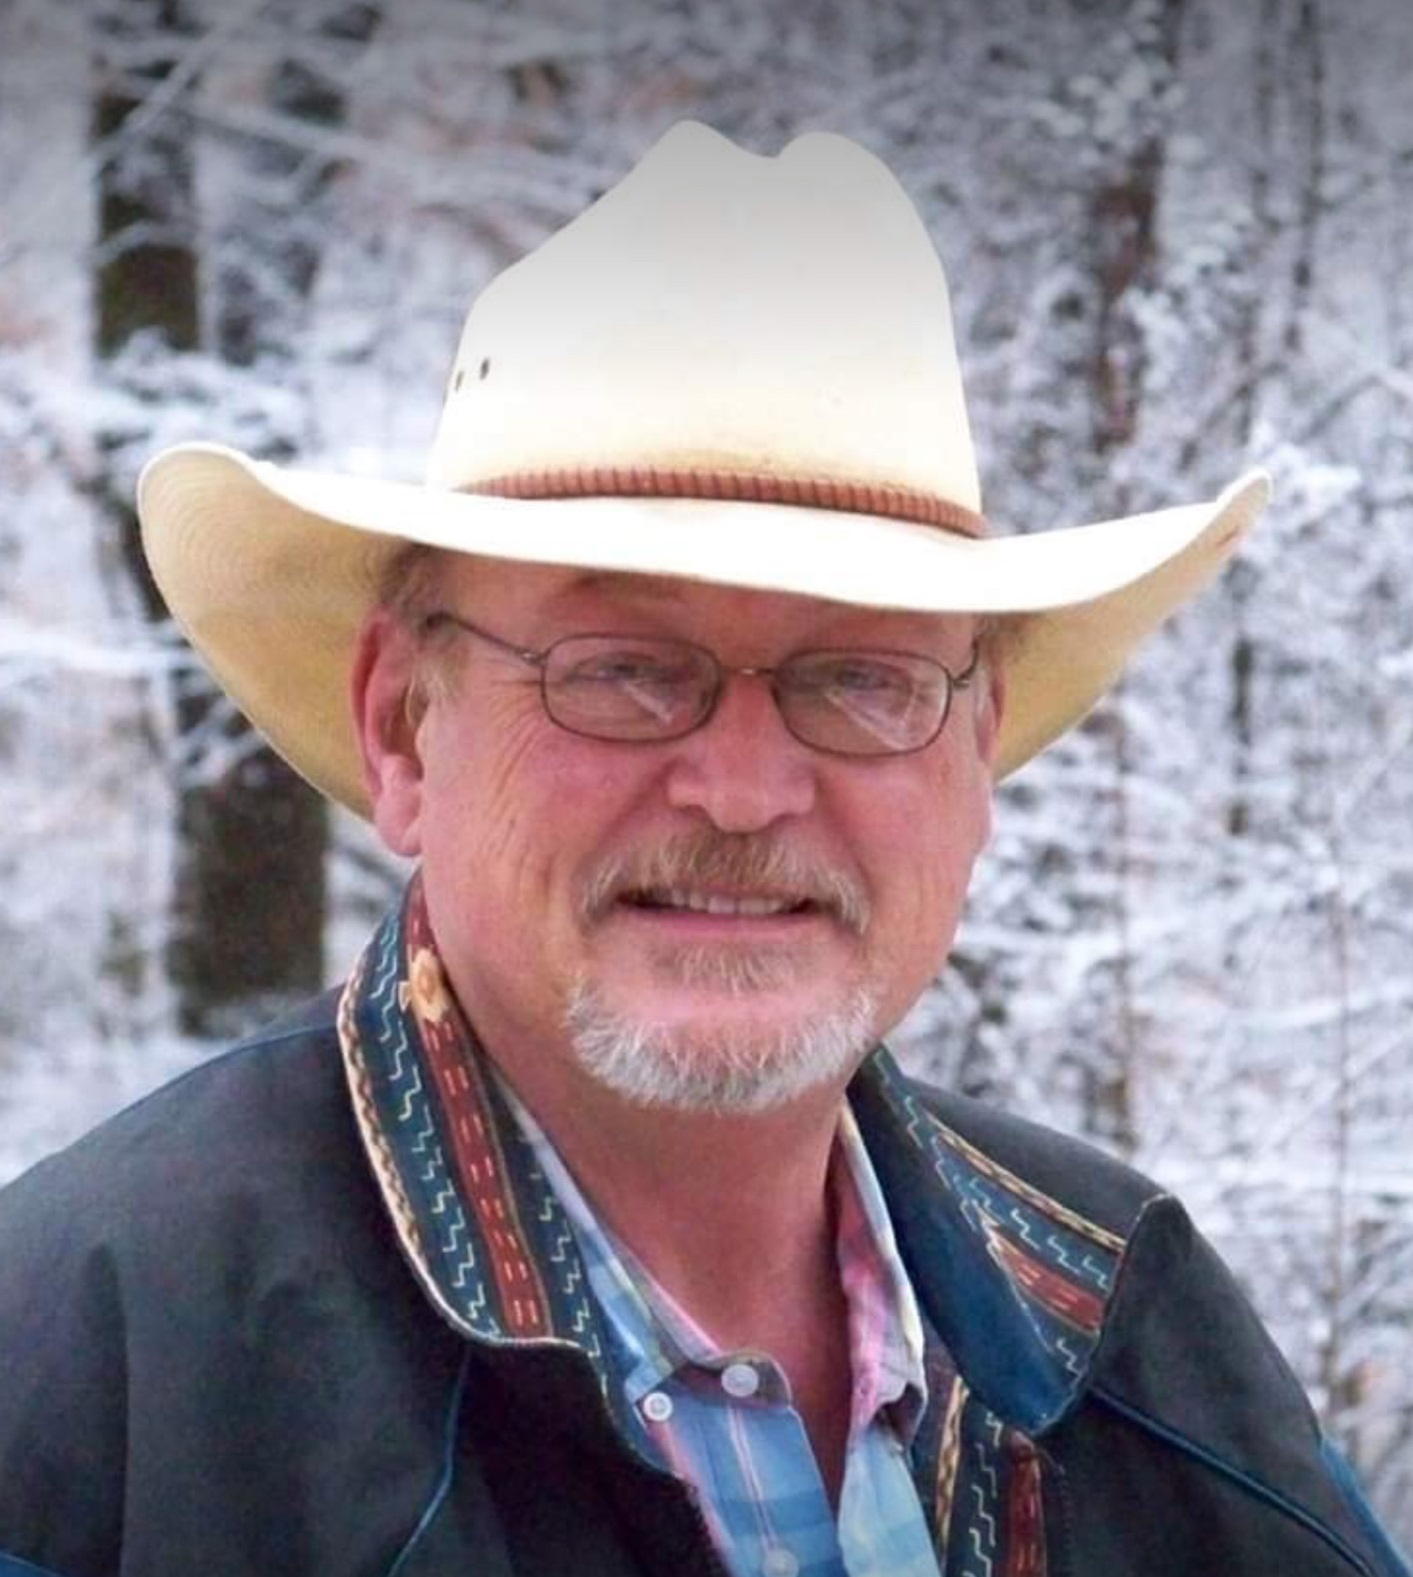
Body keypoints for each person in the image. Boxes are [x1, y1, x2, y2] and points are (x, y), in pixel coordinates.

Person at [0, 121, 1405, 1577]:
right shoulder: (85, 1386)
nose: (742, 790)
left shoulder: (1131, 1327)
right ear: (404, 728)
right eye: (620, 668)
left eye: (861, 680)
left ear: (975, 755)